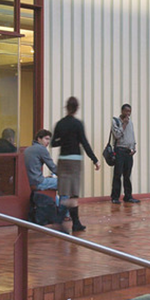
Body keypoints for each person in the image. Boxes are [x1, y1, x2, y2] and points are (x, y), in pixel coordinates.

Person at [51, 97, 98, 234]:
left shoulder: (59, 124)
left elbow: (54, 143)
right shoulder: (77, 124)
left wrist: (65, 140)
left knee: (64, 192)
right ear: (77, 108)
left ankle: (75, 222)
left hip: (62, 159)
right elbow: (84, 143)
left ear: (66, 107)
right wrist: (95, 159)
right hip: (74, 160)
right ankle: (60, 220)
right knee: (73, 194)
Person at [109, 103, 141, 203]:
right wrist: (124, 124)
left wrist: (134, 147)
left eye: (129, 111)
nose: (128, 113)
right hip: (119, 150)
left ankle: (128, 196)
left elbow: (132, 135)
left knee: (127, 175)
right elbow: (117, 135)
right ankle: (115, 197)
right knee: (118, 174)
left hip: (128, 152)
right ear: (122, 111)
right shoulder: (116, 121)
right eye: (126, 111)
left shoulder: (130, 122)